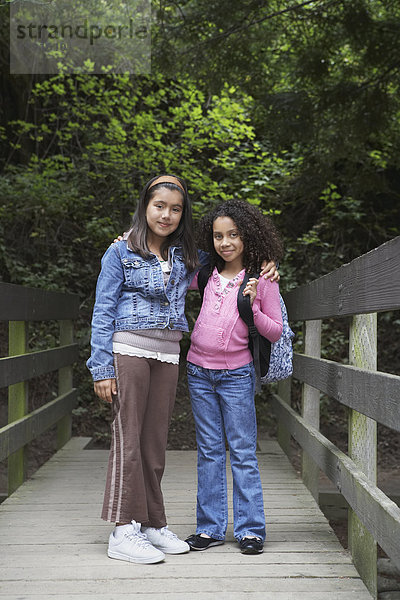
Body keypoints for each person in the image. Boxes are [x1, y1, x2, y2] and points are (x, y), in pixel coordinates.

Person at [87, 175, 279, 565]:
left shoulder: (186, 255)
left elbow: (235, 253)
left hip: (169, 354)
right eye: (159, 206)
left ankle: (152, 523)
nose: (167, 214)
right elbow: (103, 310)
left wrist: (267, 263)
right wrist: (101, 367)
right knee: (129, 440)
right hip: (129, 349)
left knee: (155, 443)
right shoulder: (120, 252)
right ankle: (123, 529)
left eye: (175, 209)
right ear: (145, 206)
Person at [184, 199, 284, 555]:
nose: (225, 243)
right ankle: (210, 528)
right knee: (209, 451)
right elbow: (167, 259)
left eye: (234, 235)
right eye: (218, 236)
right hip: (198, 372)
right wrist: (128, 241)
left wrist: (253, 306)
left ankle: (250, 530)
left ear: (249, 236)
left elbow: (275, 331)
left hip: (236, 376)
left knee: (242, 451)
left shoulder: (262, 278)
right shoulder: (206, 272)